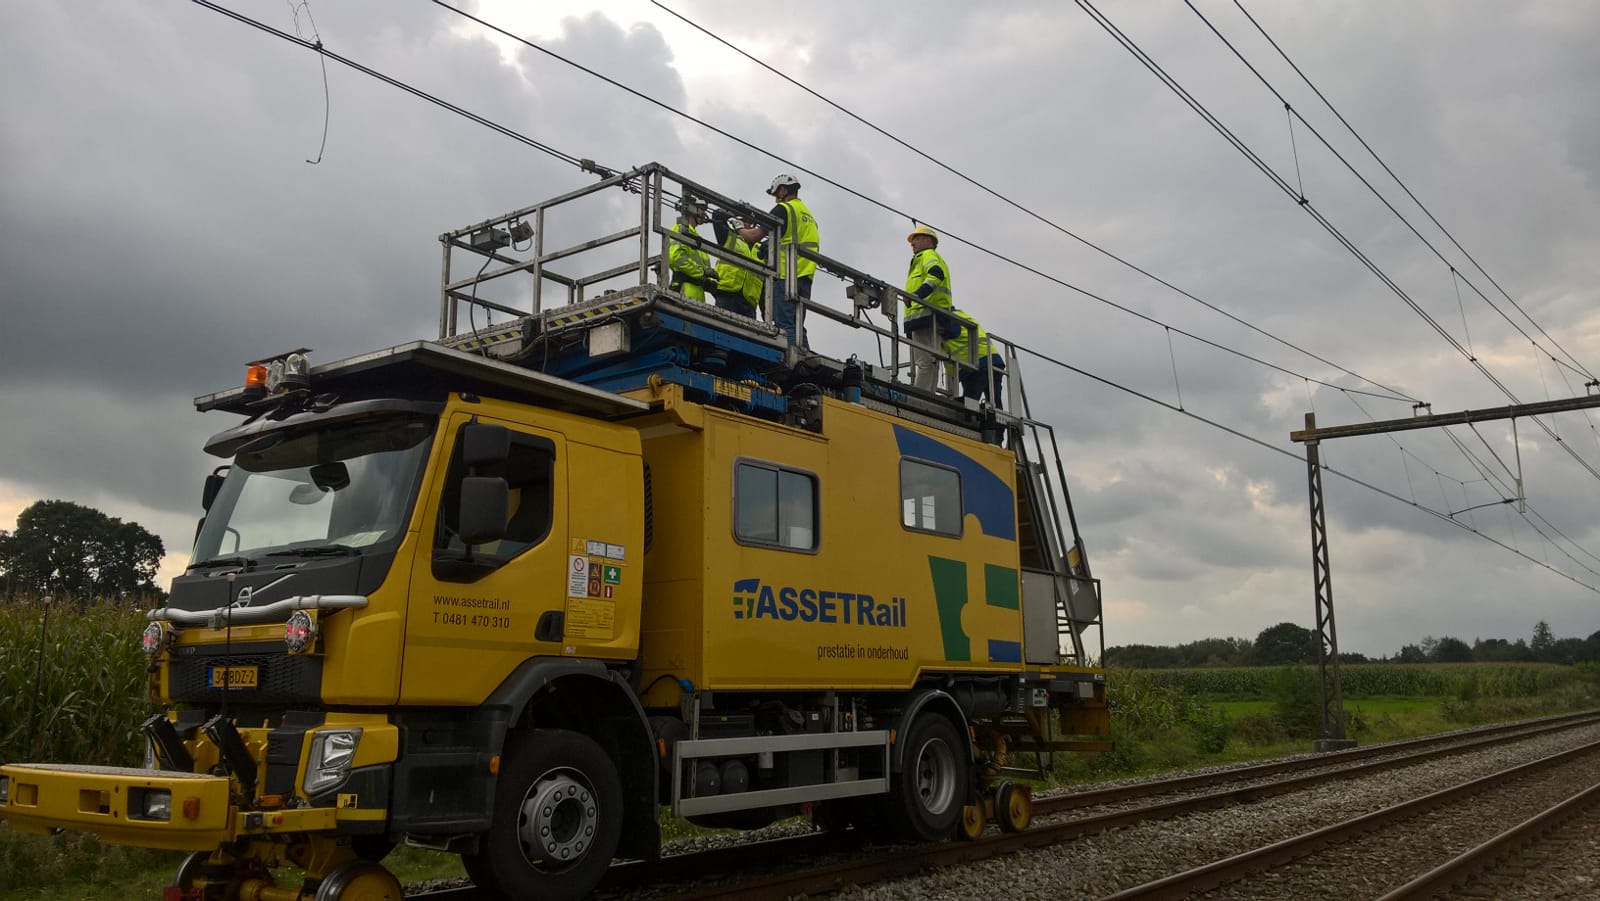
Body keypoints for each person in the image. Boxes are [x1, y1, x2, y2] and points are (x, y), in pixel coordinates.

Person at [739, 173, 818, 348]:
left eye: (776, 195)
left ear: (782, 190)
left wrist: (737, 227)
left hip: (787, 276)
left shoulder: (784, 209)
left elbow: (753, 237)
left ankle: (792, 360)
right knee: (797, 325)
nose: (776, 200)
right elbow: (792, 239)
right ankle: (804, 359)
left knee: (784, 324)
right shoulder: (808, 215)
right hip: (805, 278)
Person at [902, 224, 954, 393]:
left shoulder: (928, 255)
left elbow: (935, 274)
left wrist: (917, 295)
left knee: (925, 361)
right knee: (929, 361)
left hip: (926, 317)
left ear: (928, 241)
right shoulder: (921, 259)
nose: (912, 243)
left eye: (916, 239)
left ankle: (921, 396)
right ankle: (927, 393)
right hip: (924, 318)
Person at [944, 307, 1006, 409]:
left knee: (970, 401)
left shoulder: (948, 318)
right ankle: (995, 421)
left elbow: (952, 332)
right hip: (993, 359)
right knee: (995, 402)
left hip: (977, 364)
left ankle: (968, 417)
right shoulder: (961, 314)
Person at [709, 210, 764, 318]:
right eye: (744, 221)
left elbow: (765, 283)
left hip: (749, 303)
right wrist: (733, 212)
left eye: (751, 222)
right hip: (726, 295)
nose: (748, 224)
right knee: (722, 329)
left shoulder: (762, 249)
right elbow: (717, 215)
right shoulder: (728, 236)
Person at [667, 196, 716, 302]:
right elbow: (676, 257)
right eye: (701, 209)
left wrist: (707, 282)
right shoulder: (679, 230)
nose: (704, 213)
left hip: (697, 296)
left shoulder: (696, 237)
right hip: (683, 292)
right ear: (691, 209)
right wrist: (702, 272)